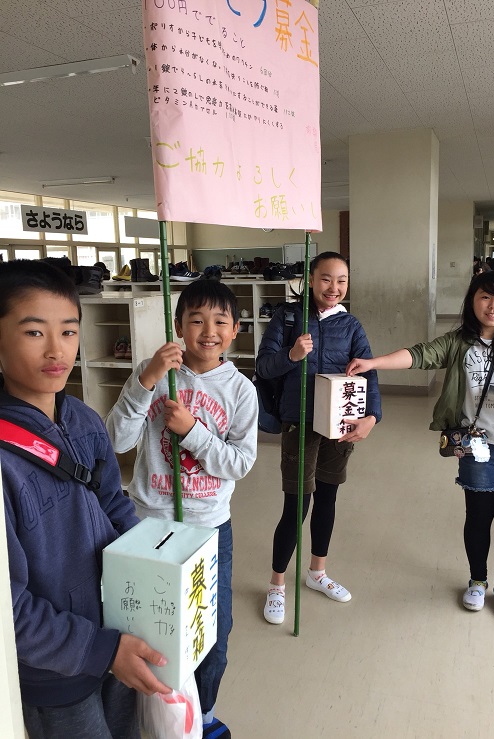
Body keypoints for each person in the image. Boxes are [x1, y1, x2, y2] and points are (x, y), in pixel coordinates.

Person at [1, 260, 170, 739]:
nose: (57, 350)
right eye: (34, 332)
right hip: (56, 672)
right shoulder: (4, 463)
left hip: (117, 631)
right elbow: (8, 608)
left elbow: (114, 505)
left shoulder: (83, 419)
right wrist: (98, 649)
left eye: (69, 331)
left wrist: (155, 570)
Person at [346, 270, 494, 621]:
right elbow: (420, 355)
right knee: (478, 518)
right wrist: (373, 363)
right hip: (478, 445)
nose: (493, 305)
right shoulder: (459, 342)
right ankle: (477, 581)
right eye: (485, 296)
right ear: (472, 300)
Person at [106, 279, 258, 739]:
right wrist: (147, 379)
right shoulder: (152, 374)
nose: (208, 332)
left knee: (213, 629)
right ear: (177, 326)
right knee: (144, 626)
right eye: (196, 320)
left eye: (220, 322)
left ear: (235, 330)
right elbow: (117, 440)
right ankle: (143, 717)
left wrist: (192, 432)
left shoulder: (241, 390)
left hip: (208, 528)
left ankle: (203, 716)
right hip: (149, 524)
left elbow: (240, 463)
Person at [257, 251, 382, 625]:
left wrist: (372, 416)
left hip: (339, 424)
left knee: (328, 498)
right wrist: (292, 355)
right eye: (326, 278)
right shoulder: (288, 317)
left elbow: (368, 373)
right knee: (296, 505)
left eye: (342, 280)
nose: (334, 287)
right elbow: (263, 366)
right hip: (299, 422)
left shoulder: (351, 325)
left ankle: (317, 572)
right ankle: (277, 585)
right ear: (310, 280)